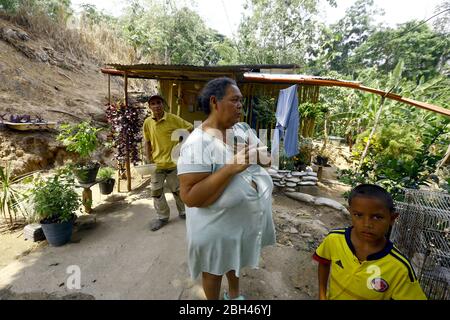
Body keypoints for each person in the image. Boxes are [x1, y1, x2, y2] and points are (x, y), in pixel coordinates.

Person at [177, 77, 276, 300]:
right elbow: (190, 196)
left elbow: (268, 159)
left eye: (242, 101)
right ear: (215, 102)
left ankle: (233, 296)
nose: (241, 106)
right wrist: (231, 168)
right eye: (235, 100)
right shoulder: (196, 144)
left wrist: (257, 153)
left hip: (236, 225)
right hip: (214, 229)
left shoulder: (241, 129)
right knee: (213, 271)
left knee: (234, 261)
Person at [313, 184, 427, 300]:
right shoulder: (334, 239)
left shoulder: (399, 268)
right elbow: (324, 262)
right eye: (358, 215)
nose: (367, 224)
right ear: (350, 213)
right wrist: (322, 295)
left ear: (392, 219)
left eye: (377, 217)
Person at [143, 94, 193, 231]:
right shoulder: (148, 122)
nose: (156, 106)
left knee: (178, 191)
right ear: (150, 107)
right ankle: (162, 217)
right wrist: (148, 160)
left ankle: (183, 212)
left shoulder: (173, 119)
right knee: (156, 193)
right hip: (156, 165)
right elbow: (147, 142)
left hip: (173, 164)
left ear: (163, 104)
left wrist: (182, 146)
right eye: (153, 103)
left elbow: (190, 128)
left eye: (158, 102)